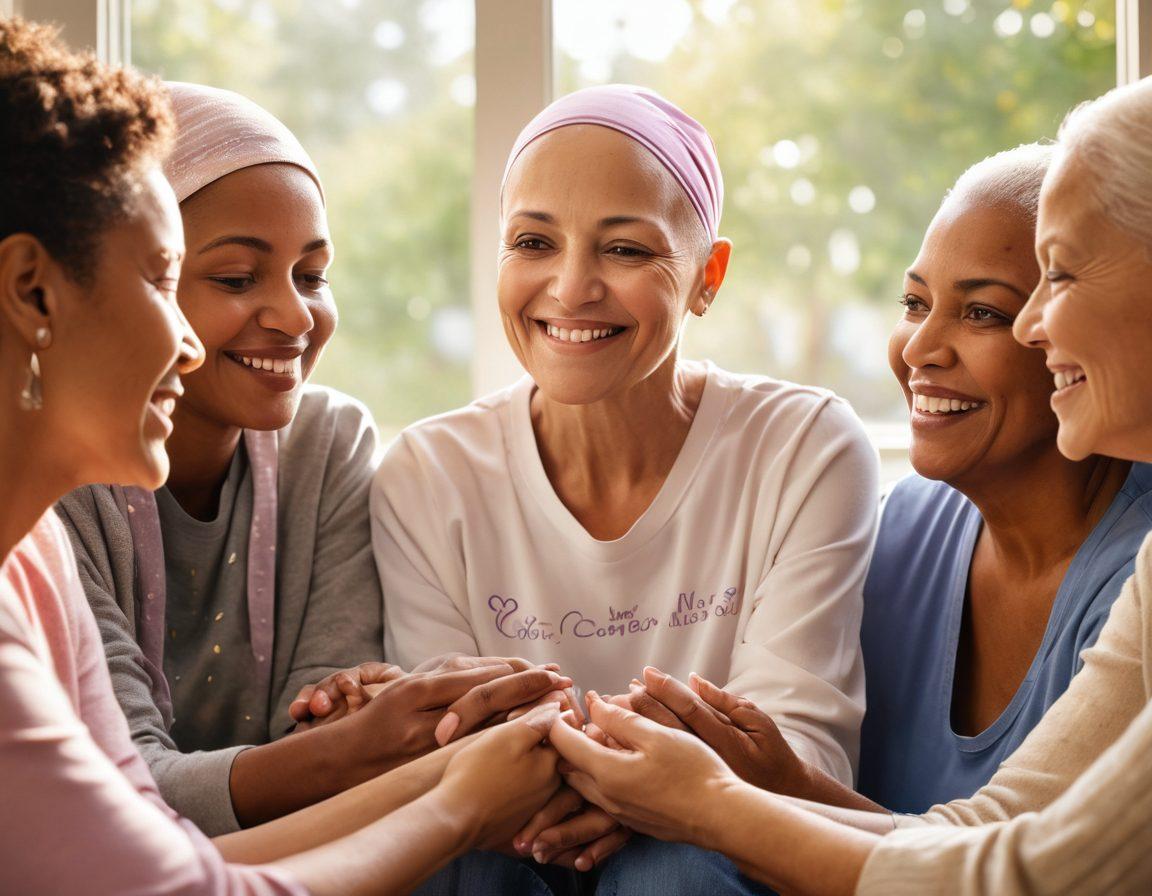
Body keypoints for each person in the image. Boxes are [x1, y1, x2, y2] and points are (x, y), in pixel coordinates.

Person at [547, 75, 1152, 895]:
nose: (919, 348)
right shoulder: (905, 528)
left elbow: (1027, 873)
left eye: (985, 311)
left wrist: (721, 799)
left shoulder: (1131, 562)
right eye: (913, 300)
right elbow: (979, 835)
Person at [0, 17, 559, 895]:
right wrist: (451, 800)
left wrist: (449, 769)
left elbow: (156, 843)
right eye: (167, 277)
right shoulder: (46, 531)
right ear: (33, 290)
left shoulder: (26, 557)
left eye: (314, 274)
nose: (186, 344)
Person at [367, 84, 879, 880]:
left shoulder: (803, 447)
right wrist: (641, 771)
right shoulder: (427, 475)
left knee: (681, 873)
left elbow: (796, 757)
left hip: (711, 857)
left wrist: (632, 787)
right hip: (507, 847)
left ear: (708, 276)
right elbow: (447, 746)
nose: (571, 289)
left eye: (626, 249)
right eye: (533, 243)